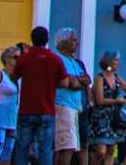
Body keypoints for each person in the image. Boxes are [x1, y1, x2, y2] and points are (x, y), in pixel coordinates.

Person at [11, 27, 70, 165]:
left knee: (22, 147)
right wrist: (50, 84)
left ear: (32, 39)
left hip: (26, 109)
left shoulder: (24, 58)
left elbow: (14, 77)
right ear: (47, 39)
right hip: (46, 109)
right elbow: (65, 83)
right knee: (45, 149)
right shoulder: (55, 59)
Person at [52, 29, 89, 165]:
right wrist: (78, 81)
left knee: (72, 145)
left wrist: (78, 81)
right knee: (64, 146)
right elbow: (70, 82)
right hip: (63, 106)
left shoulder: (74, 61)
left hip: (75, 108)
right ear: (63, 42)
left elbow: (85, 80)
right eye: (73, 40)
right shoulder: (58, 59)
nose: (77, 43)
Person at [85, 52, 126, 164]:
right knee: (101, 151)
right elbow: (100, 100)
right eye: (116, 60)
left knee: (111, 150)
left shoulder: (117, 78)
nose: (118, 63)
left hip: (113, 117)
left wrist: (125, 98)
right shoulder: (99, 78)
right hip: (101, 117)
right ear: (109, 61)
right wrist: (116, 101)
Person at [0, 47, 20, 165]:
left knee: (8, 152)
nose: (18, 60)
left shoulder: (18, 77)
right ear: (7, 59)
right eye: (15, 57)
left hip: (13, 120)